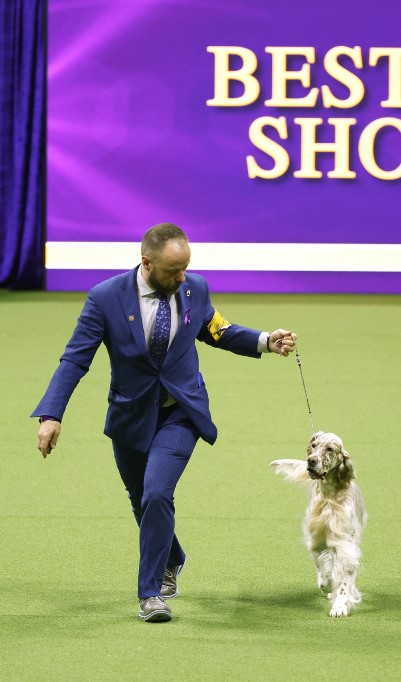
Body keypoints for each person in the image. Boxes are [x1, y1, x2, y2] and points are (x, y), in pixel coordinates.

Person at [32, 223, 297, 623]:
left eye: (186, 267)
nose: (182, 277)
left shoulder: (194, 289)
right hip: (130, 417)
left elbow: (216, 330)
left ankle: (150, 593)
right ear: (146, 262)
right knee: (141, 499)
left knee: (157, 493)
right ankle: (172, 556)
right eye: (174, 271)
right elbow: (75, 359)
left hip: (180, 413)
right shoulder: (105, 299)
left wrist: (264, 340)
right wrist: (52, 415)